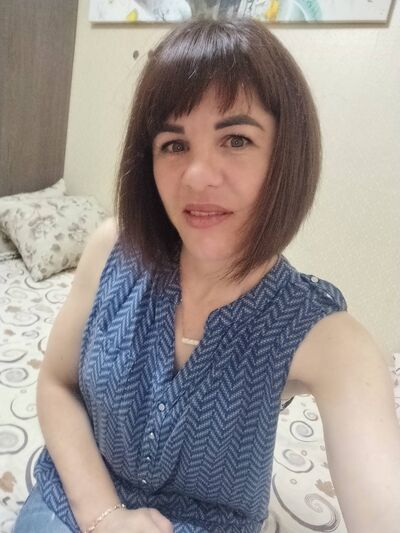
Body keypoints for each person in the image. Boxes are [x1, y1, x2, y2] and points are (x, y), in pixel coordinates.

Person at [13, 17, 400, 533]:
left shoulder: (323, 337)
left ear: (285, 155)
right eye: (174, 145)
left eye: (236, 139)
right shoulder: (112, 248)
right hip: (75, 501)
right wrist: (106, 516)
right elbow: (57, 384)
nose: (197, 176)